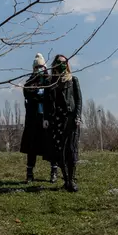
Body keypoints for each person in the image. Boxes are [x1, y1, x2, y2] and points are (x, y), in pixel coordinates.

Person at [45, 55, 82, 192]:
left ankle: (72, 180)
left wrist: (77, 116)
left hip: (70, 118)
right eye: (58, 62)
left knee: (71, 150)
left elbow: (78, 100)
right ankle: (66, 179)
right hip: (57, 120)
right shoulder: (51, 82)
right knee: (59, 151)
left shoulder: (73, 80)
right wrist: (46, 118)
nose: (61, 65)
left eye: (63, 62)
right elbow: (47, 102)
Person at [21, 54, 58, 184]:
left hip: (47, 118)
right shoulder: (29, 82)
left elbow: (52, 98)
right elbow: (29, 95)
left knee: (51, 146)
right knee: (32, 147)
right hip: (33, 119)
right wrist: (39, 95)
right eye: (36, 67)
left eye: (41, 66)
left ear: (45, 67)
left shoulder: (51, 81)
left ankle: (54, 171)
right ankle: (30, 173)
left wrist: (39, 95)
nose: (39, 69)